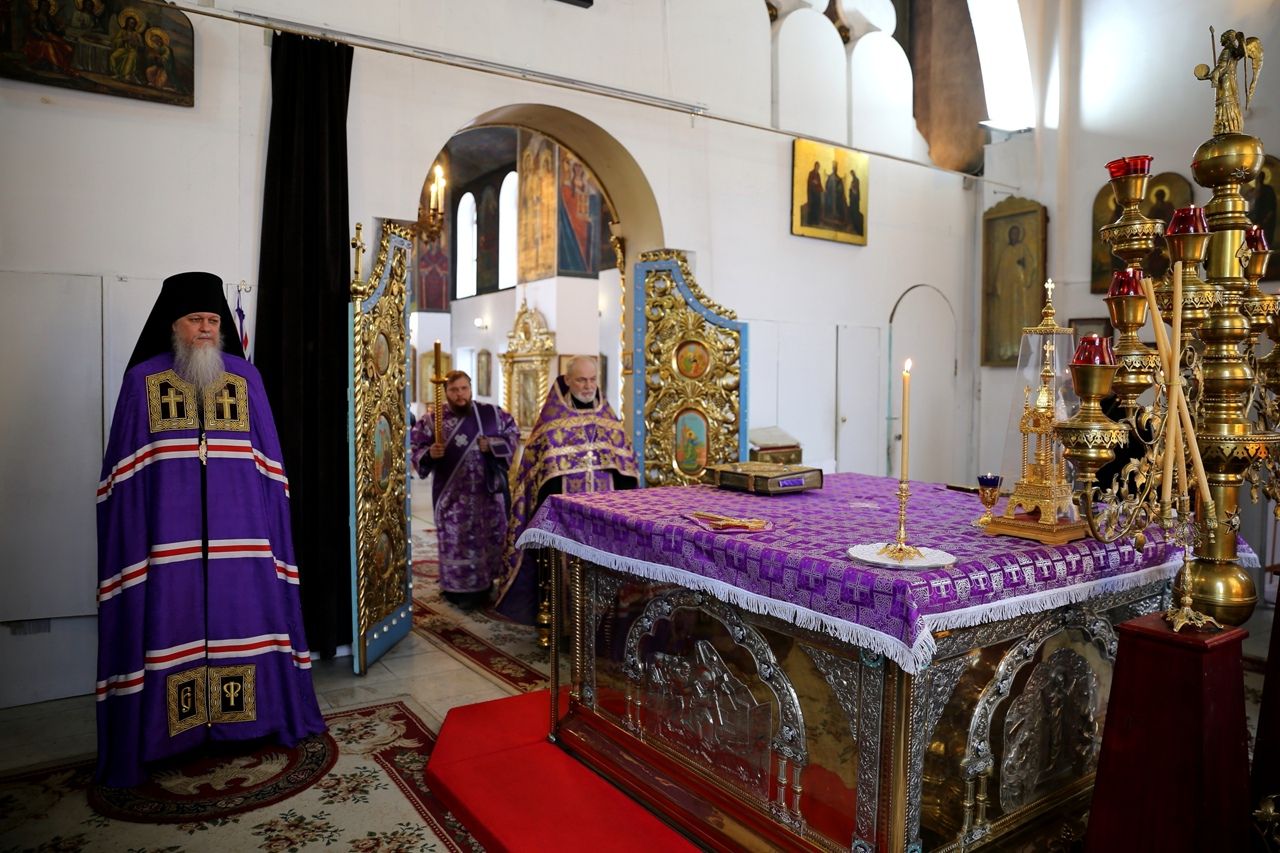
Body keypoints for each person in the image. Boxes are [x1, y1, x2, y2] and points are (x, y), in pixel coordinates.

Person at [95, 272, 325, 788]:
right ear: (172, 325)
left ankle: (246, 723)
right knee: (168, 626)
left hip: (240, 543)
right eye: (195, 319)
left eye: (213, 320)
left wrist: (270, 539)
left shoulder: (246, 379)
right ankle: (169, 733)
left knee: (241, 620)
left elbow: (270, 469)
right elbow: (124, 478)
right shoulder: (143, 382)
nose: (205, 328)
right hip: (167, 547)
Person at [494, 355, 638, 623]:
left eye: (592, 380)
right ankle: (564, 627)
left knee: (605, 575)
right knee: (564, 574)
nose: (588, 386)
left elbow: (627, 471)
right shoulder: (551, 424)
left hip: (605, 518)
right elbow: (535, 476)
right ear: (568, 380)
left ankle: (605, 627)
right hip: (564, 519)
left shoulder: (609, 422)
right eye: (581, 380)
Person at [410, 370, 518, 610]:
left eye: (464, 389)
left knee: (489, 538)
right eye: (454, 390)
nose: (460, 395)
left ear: (470, 389)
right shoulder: (432, 420)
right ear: (445, 392)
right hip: (452, 495)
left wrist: (493, 444)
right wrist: (430, 453)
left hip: (487, 494)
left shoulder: (491, 414)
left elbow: (512, 433)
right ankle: (456, 589)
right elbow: (416, 445)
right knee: (457, 540)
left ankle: (486, 584)